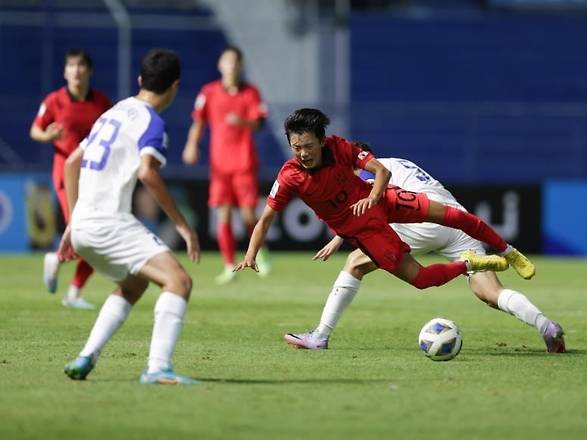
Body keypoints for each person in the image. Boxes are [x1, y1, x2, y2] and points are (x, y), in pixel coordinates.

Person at [234, 108, 535, 301]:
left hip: (384, 201)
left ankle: (510, 252)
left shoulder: (339, 146)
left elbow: (382, 171)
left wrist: (374, 196)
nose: (302, 153)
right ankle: (470, 264)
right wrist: (250, 253)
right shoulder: (289, 177)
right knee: (422, 280)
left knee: (455, 216)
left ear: (322, 141)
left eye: (308, 146)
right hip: (365, 231)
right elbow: (265, 220)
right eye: (296, 147)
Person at [285, 153, 566, 353]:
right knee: (490, 292)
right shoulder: (399, 161)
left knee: (355, 263)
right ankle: (546, 326)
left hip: (421, 222)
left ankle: (321, 335)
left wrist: (339, 238)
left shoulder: (368, 170)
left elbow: (373, 203)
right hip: (453, 222)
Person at [58, 49, 200, 384]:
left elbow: (69, 163)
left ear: (140, 80)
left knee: (134, 283)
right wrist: (183, 225)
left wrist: (72, 220)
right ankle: (158, 368)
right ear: (175, 86)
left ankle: (85, 357)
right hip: (109, 223)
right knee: (179, 281)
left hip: (82, 226)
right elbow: (148, 174)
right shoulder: (152, 122)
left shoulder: (111, 112)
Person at [30, 49, 112, 310]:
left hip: (95, 175)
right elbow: (35, 130)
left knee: (97, 240)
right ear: (65, 71)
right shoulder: (54, 101)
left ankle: (73, 292)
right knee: (83, 234)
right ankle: (59, 260)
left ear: (89, 71)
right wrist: (48, 137)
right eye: (71, 66)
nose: (76, 70)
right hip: (67, 173)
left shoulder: (101, 102)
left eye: (81, 66)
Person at [182, 46, 271, 285]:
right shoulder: (208, 92)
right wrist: (191, 145)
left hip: (244, 162)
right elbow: (198, 122)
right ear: (220, 64)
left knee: (247, 213)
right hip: (219, 164)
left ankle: (259, 254)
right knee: (222, 214)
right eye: (227, 60)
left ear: (240, 66)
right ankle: (229, 265)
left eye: (234, 61)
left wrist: (243, 121)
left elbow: (260, 123)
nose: (231, 65)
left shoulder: (251, 92)